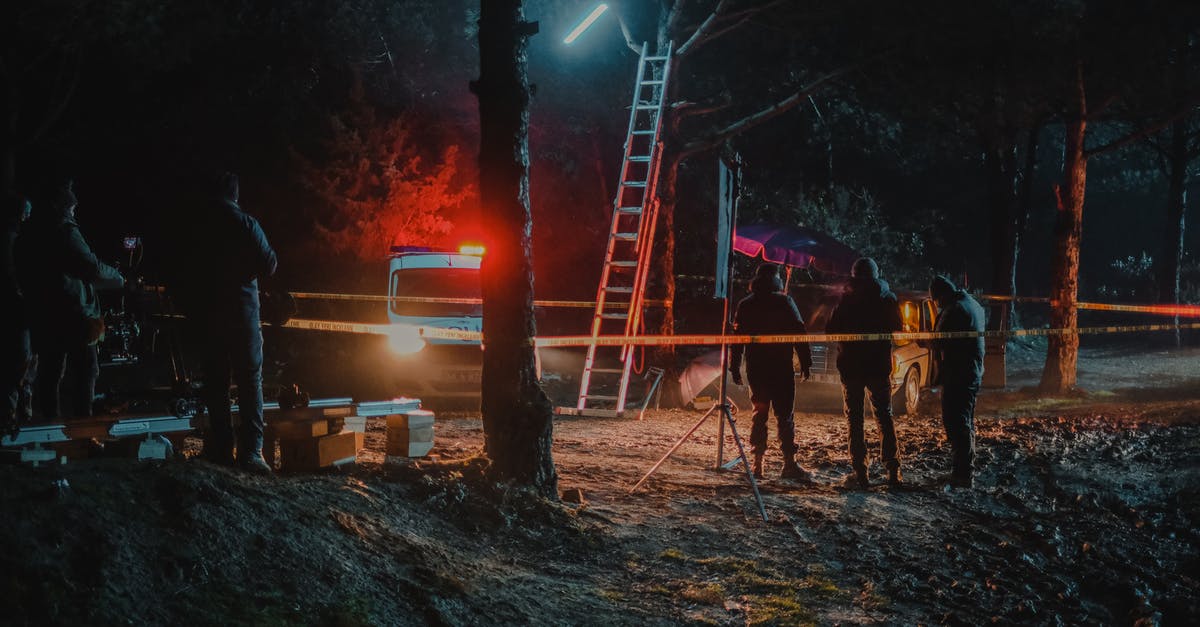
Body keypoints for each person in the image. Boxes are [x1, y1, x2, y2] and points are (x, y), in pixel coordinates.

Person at [180, 172, 277, 473]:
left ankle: (221, 449)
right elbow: (270, 264)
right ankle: (251, 453)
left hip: (208, 315)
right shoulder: (246, 224)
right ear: (235, 194)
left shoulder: (198, 228)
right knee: (250, 381)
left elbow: (183, 268)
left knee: (216, 383)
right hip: (243, 313)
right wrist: (244, 273)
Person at [16, 180, 124, 419]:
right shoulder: (64, 230)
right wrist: (118, 278)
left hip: (43, 312)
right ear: (62, 204)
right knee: (86, 371)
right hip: (74, 314)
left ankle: (50, 428)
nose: (75, 209)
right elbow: (90, 266)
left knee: (50, 372)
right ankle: (82, 430)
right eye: (73, 206)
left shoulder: (29, 231)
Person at [729, 263, 813, 481]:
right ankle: (789, 464)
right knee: (785, 415)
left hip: (756, 368)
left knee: (760, 413)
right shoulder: (785, 302)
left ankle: (758, 465)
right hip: (781, 368)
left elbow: (737, 340)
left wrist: (735, 365)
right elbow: (799, 332)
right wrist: (806, 362)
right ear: (776, 279)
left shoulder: (746, 305)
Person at [826, 257, 904, 488]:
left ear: (854, 274)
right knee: (884, 415)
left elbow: (830, 329)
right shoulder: (887, 298)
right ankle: (893, 470)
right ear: (876, 274)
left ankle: (860, 472)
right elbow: (898, 326)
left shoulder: (846, 298)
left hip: (851, 367)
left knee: (855, 418)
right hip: (879, 366)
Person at [929, 275, 985, 488]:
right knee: (966, 421)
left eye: (936, 301)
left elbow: (939, 340)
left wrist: (919, 338)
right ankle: (963, 470)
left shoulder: (954, 310)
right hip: (972, 371)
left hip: (959, 374)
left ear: (941, 295)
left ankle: (962, 474)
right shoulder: (972, 304)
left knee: (956, 422)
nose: (937, 305)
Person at [2, 194, 32, 429]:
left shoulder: (15, 239)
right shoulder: (13, 241)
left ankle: (18, 411)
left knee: (20, 361)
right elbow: (14, 277)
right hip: (17, 311)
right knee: (20, 361)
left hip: (17, 309)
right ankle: (14, 413)